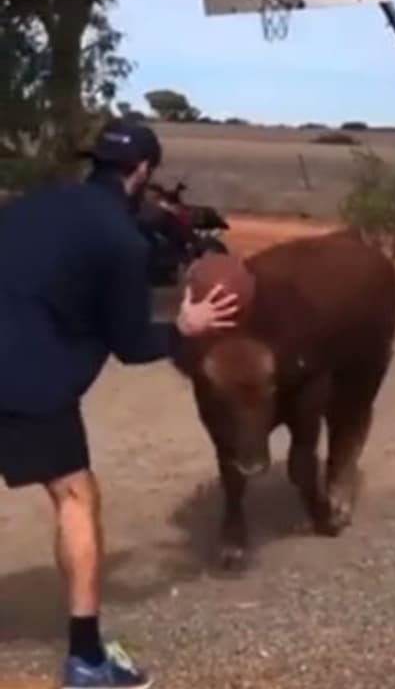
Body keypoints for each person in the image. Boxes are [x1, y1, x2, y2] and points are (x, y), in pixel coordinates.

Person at [0, 119, 240, 689]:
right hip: (29, 380)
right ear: (141, 172)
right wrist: (183, 329)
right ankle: (87, 660)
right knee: (75, 497)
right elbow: (132, 345)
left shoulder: (32, 204)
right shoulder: (121, 241)